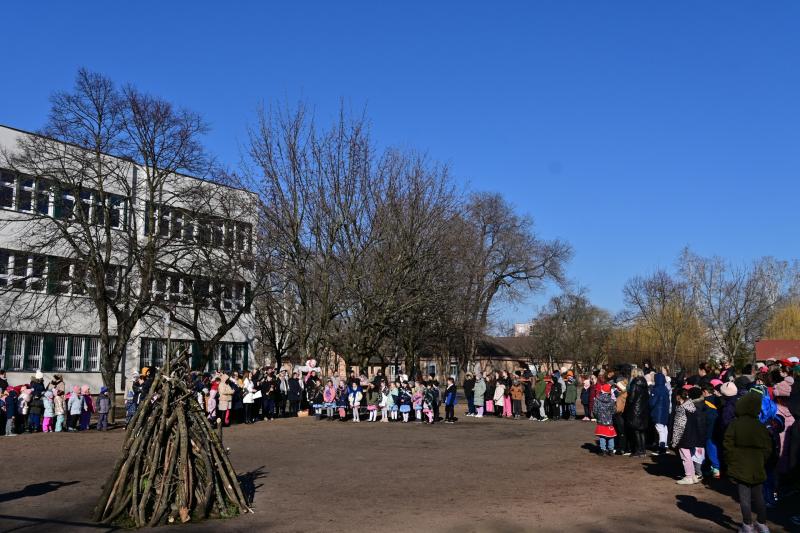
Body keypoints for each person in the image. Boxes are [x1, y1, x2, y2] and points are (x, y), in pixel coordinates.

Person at [724, 390, 773, 533]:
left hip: (740, 465)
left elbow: (727, 445)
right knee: (759, 497)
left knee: (744, 498)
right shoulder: (760, 426)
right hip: (757, 465)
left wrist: (731, 460)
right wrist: (761, 460)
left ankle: (747, 525)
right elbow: (768, 447)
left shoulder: (735, 424)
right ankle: (762, 523)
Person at [672, 387, 705, 484]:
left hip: (683, 435)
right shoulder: (692, 406)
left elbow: (679, 426)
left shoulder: (681, 408)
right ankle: (693, 475)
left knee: (685, 457)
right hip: (692, 434)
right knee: (689, 456)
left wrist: (675, 440)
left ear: (678, 397)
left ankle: (689, 476)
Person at [624, 372, 651, 457]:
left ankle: (638, 450)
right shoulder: (645, 384)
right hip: (643, 410)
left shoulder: (634, 383)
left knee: (636, 431)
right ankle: (643, 450)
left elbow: (631, 398)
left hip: (635, 410)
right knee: (642, 431)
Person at [649, 372, 671, 455]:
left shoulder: (655, 389)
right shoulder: (665, 388)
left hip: (657, 412)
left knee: (660, 429)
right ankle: (664, 446)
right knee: (664, 429)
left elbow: (652, 402)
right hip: (665, 412)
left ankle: (661, 448)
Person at [593, 383, 616, 456]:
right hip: (609, 420)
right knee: (610, 436)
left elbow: (594, 410)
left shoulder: (597, 399)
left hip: (601, 420)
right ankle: (611, 450)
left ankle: (603, 450)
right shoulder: (612, 400)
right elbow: (614, 411)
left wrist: (597, 417)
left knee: (602, 436)